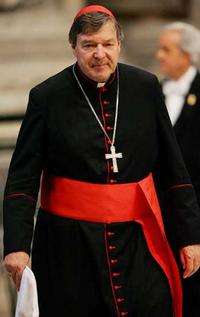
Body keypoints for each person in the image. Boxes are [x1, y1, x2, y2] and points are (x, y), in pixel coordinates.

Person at [3, 5, 200, 317]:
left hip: (138, 240)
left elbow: (173, 168)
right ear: (74, 46)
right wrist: (16, 246)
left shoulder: (145, 88)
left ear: (119, 44)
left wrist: (190, 237)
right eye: (89, 45)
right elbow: (22, 181)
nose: (99, 54)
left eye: (107, 44)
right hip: (69, 245)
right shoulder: (47, 97)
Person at [156, 22, 200, 317]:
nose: (159, 56)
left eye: (166, 50)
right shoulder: (155, 92)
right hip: (162, 210)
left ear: (186, 55)